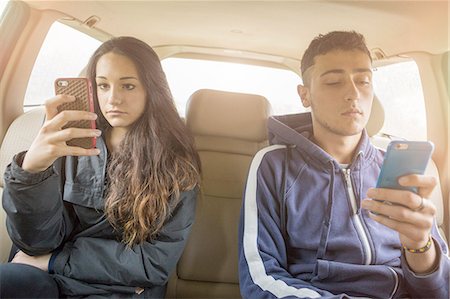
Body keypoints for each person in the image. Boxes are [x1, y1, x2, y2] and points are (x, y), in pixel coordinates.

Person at [238, 31, 449, 298]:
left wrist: (420, 246)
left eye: (363, 81)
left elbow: (439, 289)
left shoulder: (397, 168)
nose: (353, 93)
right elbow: (260, 278)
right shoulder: (274, 165)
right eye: (334, 82)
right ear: (305, 95)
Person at [1, 36, 201, 298]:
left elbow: (153, 262)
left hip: (119, 288)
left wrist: (52, 260)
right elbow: (35, 243)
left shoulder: (177, 164)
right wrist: (32, 171)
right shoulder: (67, 141)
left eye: (128, 86)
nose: (113, 99)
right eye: (103, 86)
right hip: (48, 277)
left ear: (152, 89)